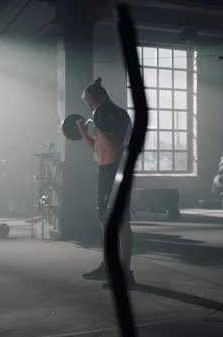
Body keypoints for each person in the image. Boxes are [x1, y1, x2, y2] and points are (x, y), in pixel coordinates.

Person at [75, 77, 134, 289]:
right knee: (104, 221)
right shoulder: (99, 117)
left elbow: (115, 144)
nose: (90, 109)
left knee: (120, 222)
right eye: (88, 106)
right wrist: (83, 131)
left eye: (91, 104)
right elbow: (97, 149)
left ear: (100, 97)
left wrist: (98, 126)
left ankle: (126, 273)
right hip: (103, 170)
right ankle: (108, 265)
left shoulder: (118, 115)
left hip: (117, 171)